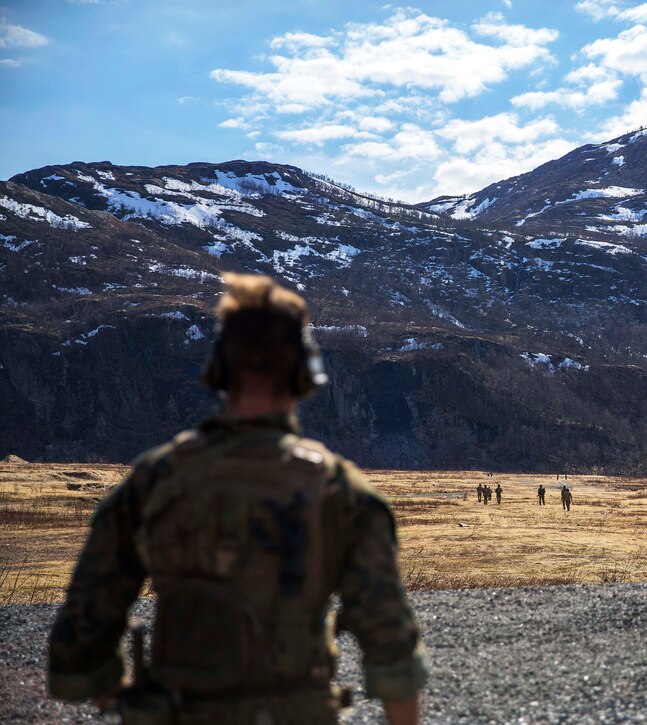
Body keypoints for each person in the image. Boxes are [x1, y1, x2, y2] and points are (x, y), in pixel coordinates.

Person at [47, 274, 429, 725]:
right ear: (304, 376)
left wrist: (126, 701)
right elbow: (391, 648)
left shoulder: (155, 480)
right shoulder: (338, 489)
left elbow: (79, 636)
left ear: (219, 373)